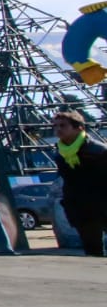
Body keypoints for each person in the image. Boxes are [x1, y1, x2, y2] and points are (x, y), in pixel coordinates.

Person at [52, 110, 107, 256]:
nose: (58, 129)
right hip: (81, 208)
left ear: (79, 128)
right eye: (55, 126)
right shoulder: (60, 153)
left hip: (103, 204)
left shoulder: (98, 150)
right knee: (92, 250)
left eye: (63, 126)